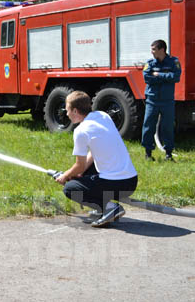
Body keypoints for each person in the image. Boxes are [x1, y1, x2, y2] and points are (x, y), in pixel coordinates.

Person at [55, 91, 138, 228]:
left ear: (75, 110)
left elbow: (79, 166)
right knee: (82, 175)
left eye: (67, 109)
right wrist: (77, 174)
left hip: (116, 186)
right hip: (131, 181)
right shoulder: (103, 116)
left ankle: (109, 207)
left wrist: (65, 176)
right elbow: (93, 155)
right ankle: (103, 208)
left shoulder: (81, 131)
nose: (67, 113)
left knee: (70, 189)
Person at [141, 39, 181, 161]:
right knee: (148, 126)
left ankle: (168, 154)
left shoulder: (173, 62)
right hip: (152, 100)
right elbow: (147, 77)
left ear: (162, 50)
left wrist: (158, 75)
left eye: (154, 49)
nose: (151, 52)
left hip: (167, 101)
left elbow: (176, 77)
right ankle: (148, 153)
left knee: (167, 127)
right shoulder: (150, 63)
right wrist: (166, 77)